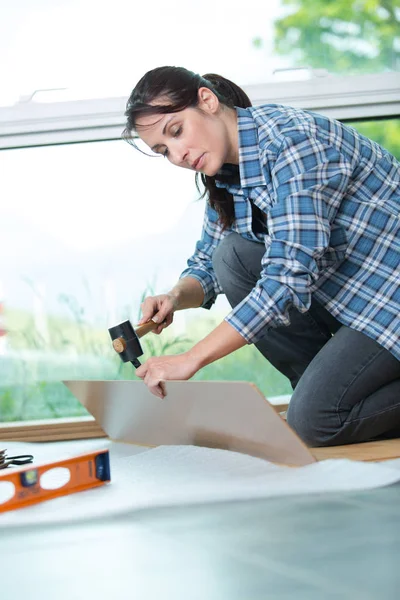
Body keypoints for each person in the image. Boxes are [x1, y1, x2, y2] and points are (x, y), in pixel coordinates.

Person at [122, 65, 400, 447]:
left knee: (314, 423)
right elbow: (207, 265)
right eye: (164, 151)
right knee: (231, 255)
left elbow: (286, 280)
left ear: (207, 101)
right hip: (358, 302)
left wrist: (192, 358)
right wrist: (173, 297)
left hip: (390, 302)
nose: (178, 155)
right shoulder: (227, 172)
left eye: (176, 131)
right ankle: (324, 394)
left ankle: (325, 407)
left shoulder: (295, 142)